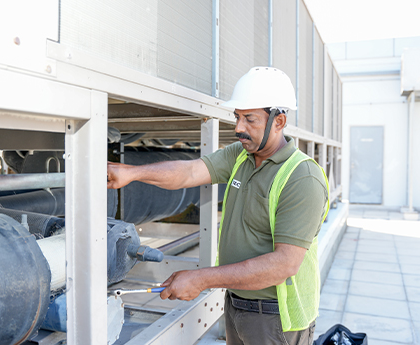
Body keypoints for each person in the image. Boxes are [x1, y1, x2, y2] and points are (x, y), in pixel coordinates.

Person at [107, 66, 329, 345]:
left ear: (279, 121)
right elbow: (189, 172)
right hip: (237, 304)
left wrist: (201, 279)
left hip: (276, 320)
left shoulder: (302, 178)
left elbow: (282, 265)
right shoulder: (241, 155)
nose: (238, 128)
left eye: (250, 119)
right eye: (237, 117)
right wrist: (133, 173)